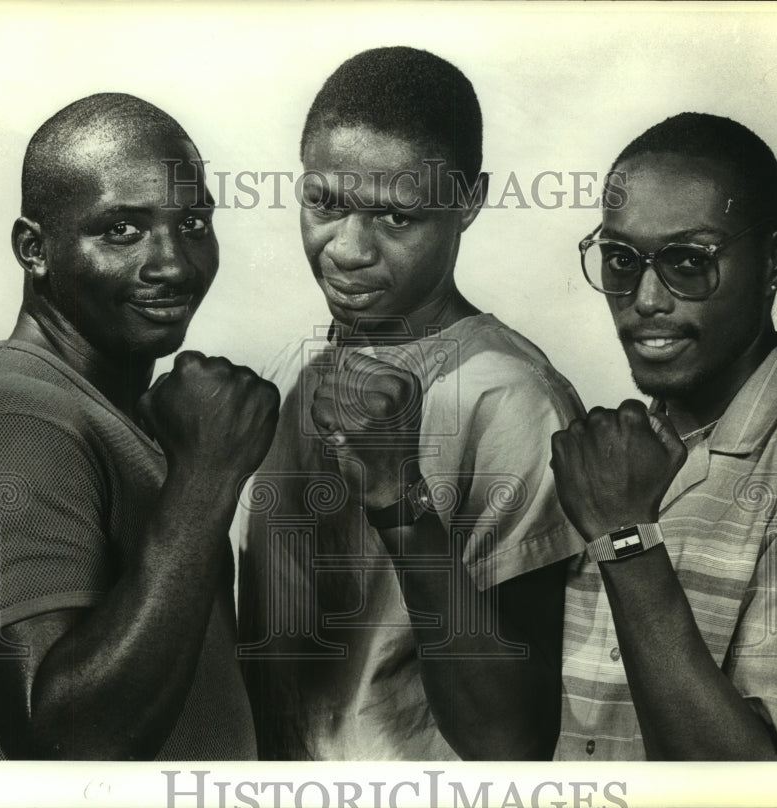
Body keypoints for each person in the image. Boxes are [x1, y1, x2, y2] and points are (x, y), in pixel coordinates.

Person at [0, 93, 279, 760]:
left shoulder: (107, 415)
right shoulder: (4, 424)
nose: (174, 265)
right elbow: (66, 747)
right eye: (121, 230)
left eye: (191, 224)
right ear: (35, 249)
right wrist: (208, 476)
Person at [237, 46, 585, 761]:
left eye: (396, 218)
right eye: (325, 203)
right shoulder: (296, 373)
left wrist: (401, 500)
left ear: (468, 200)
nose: (348, 250)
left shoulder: (513, 401)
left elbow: (513, 740)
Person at [550, 112, 777, 760]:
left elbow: (773, 796)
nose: (645, 299)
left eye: (688, 262)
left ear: (776, 258)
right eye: (619, 259)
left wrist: (625, 539)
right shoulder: (608, 458)